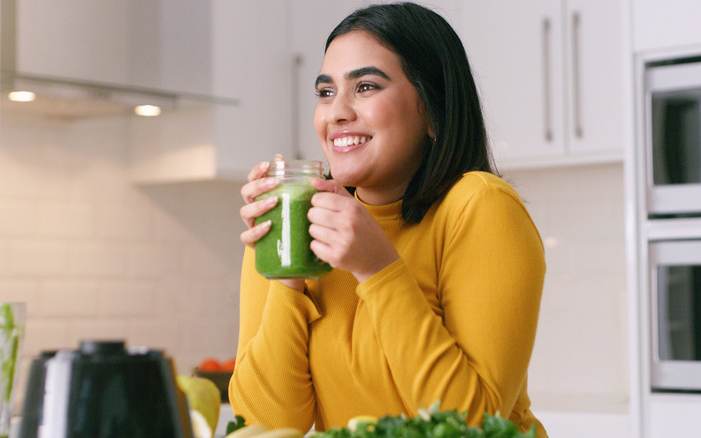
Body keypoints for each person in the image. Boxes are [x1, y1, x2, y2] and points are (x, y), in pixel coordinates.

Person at [230, 2, 547, 437]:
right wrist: (287, 270)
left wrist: (375, 267)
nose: (336, 112)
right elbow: (264, 425)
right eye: (326, 92)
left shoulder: (479, 206)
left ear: (434, 111)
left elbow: (474, 425)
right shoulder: (293, 219)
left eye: (365, 87)